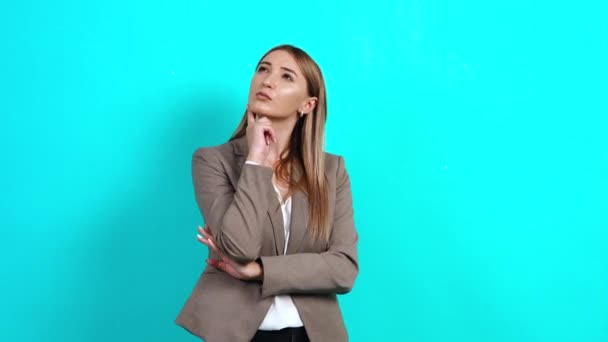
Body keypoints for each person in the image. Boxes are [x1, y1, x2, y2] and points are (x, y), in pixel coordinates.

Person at [175, 44, 359, 342]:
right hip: (241, 333)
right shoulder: (212, 161)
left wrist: (259, 271)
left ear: (308, 105)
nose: (268, 80)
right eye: (263, 69)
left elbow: (343, 269)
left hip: (315, 334)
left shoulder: (331, 171)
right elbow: (239, 247)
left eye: (286, 76)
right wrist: (256, 161)